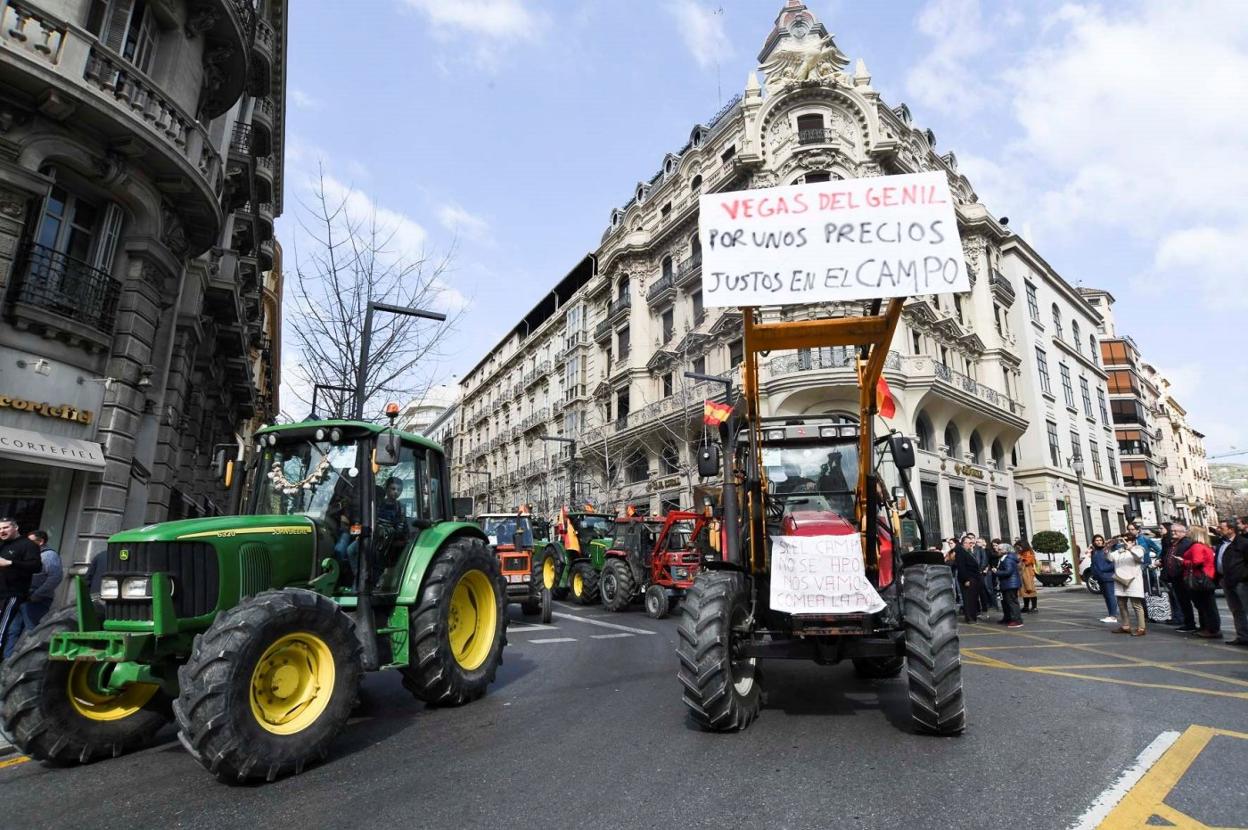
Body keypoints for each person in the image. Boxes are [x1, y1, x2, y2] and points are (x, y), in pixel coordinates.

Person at [5, 530, 63, 647]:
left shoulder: (49, 556)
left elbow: (55, 578)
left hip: (36, 600)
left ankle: (27, 663)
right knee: (13, 631)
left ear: (41, 542)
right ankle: (8, 660)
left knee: (32, 631)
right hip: (21, 597)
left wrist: (37, 595)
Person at [0, 517, 43, 659]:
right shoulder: (2, 545)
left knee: (3, 627)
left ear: (15, 527)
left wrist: (10, 562)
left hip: (12, 593)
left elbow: (36, 566)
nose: (2, 531)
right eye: (0, 529)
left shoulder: (28, 545)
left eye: (5, 527)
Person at [1172, 521, 1220, 638]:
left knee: (1206, 606)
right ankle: (1206, 627)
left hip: (1201, 578)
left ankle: (1211, 629)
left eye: (1189, 531)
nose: (1187, 532)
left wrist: (1182, 561)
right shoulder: (1201, 546)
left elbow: (1197, 562)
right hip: (1204, 577)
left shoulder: (1197, 546)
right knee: (1205, 605)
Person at [1215, 519, 1248, 646]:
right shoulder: (1222, 543)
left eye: (1221, 527)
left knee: (1245, 608)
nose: (1218, 529)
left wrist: (1243, 576)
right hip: (1227, 580)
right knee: (1236, 609)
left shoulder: (1243, 543)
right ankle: (1243, 636)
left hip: (1241, 581)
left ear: (1231, 529)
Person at [1111, 541, 1147, 636]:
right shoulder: (1119, 551)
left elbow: (1139, 557)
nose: (1124, 542)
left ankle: (1141, 628)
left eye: (1127, 540)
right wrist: (1106, 548)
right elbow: (1109, 558)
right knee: (1121, 604)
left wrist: (1130, 548)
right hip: (1120, 580)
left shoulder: (1138, 549)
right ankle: (1125, 626)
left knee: (1136, 605)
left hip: (1133, 581)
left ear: (1133, 541)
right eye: (1122, 540)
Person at [954, 534, 983, 623]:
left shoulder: (968, 552)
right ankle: (970, 618)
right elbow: (961, 567)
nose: (969, 544)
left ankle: (973, 617)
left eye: (970, 543)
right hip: (968, 579)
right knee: (968, 599)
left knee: (973, 599)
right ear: (963, 543)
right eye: (967, 543)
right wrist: (966, 579)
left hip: (974, 578)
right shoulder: (961, 553)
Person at [1088, 535, 1118, 623]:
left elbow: (1113, 562)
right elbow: (1094, 563)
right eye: (1096, 540)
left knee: (1110, 596)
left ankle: (1113, 616)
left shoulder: (1106, 550)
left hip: (1108, 576)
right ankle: (1110, 615)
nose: (1099, 542)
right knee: (1106, 597)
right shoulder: (1094, 552)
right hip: (1100, 577)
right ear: (1093, 542)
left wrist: (1104, 569)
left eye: (1100, 540)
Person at [994, 544, 1024, 628]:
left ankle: (1017, 620)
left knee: (1012, 602)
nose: (997, 550)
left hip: (1010, 584)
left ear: (1005, 550)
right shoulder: (1004, 558)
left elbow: (1008, 571)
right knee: (1006, 602)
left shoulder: (1008, 559)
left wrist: (997, 572)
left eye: (999, 549)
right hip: (1007, 583)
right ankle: (1007, 618)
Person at [1018, 540, 1039, 613]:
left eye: (1020, 547)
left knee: (1030, 589)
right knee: (1024, 590)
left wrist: (1020, 559)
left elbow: (1027, 562)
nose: (1019, 548)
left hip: (1028, 573)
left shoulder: (1029, 553)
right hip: (1023, 573)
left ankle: (1034, 607)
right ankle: (1026, 606)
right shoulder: (1021, 553)